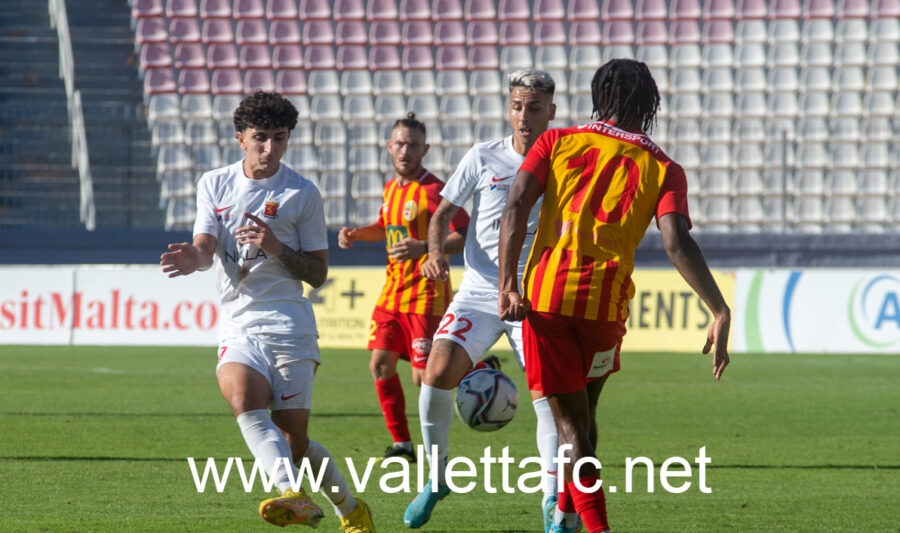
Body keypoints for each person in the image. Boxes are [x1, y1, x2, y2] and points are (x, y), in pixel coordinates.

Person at [498, 59, 731, 533]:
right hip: (606, 309)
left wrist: (507, 283)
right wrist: (719, 308)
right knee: (583, 420)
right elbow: (675, 242)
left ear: (598, 97)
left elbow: (516, 205)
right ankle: (564, 518)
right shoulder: (664, 166)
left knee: (569, 429)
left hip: (548, 300)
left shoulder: (556, 142)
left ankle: (596, 527)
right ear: (649, 105)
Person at [160, 91, 375, 532]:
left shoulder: (302, 193)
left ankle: (351, 510)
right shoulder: (214, 184)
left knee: (294, 445)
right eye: (261, 138)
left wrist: (277, 247)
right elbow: (205, 246)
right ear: (241, 138)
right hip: (239, 323)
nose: (270, 148)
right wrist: (193, 258)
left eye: (280, 138)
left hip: (290, 326)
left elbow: (317, 273)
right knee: (242, 398)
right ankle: (290, 494)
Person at [405, 70, 563, 532]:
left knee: (547, 398)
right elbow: (443, 214)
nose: (524, 116)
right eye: (517, 106)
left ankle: (551, 499)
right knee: (435, 373)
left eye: (534, 108)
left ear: (550, 111)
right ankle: (436, 480)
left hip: (532, 293)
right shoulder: (483, 156)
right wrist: (435, 253)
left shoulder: (564, 161)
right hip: (478, 287)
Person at [337, 113, 469, 463]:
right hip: (391, 294)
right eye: (399, 143)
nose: (405, 150)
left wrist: (425, 247)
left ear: (424, 149)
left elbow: (464, 234)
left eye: (412, 145)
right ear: (389, 147)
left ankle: (479, 369)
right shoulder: (391, 188)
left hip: (426, 297)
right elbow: (384, 226)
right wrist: (355, 233)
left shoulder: (436, 190)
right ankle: (403, 445)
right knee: (380, 365)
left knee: (424, 377)